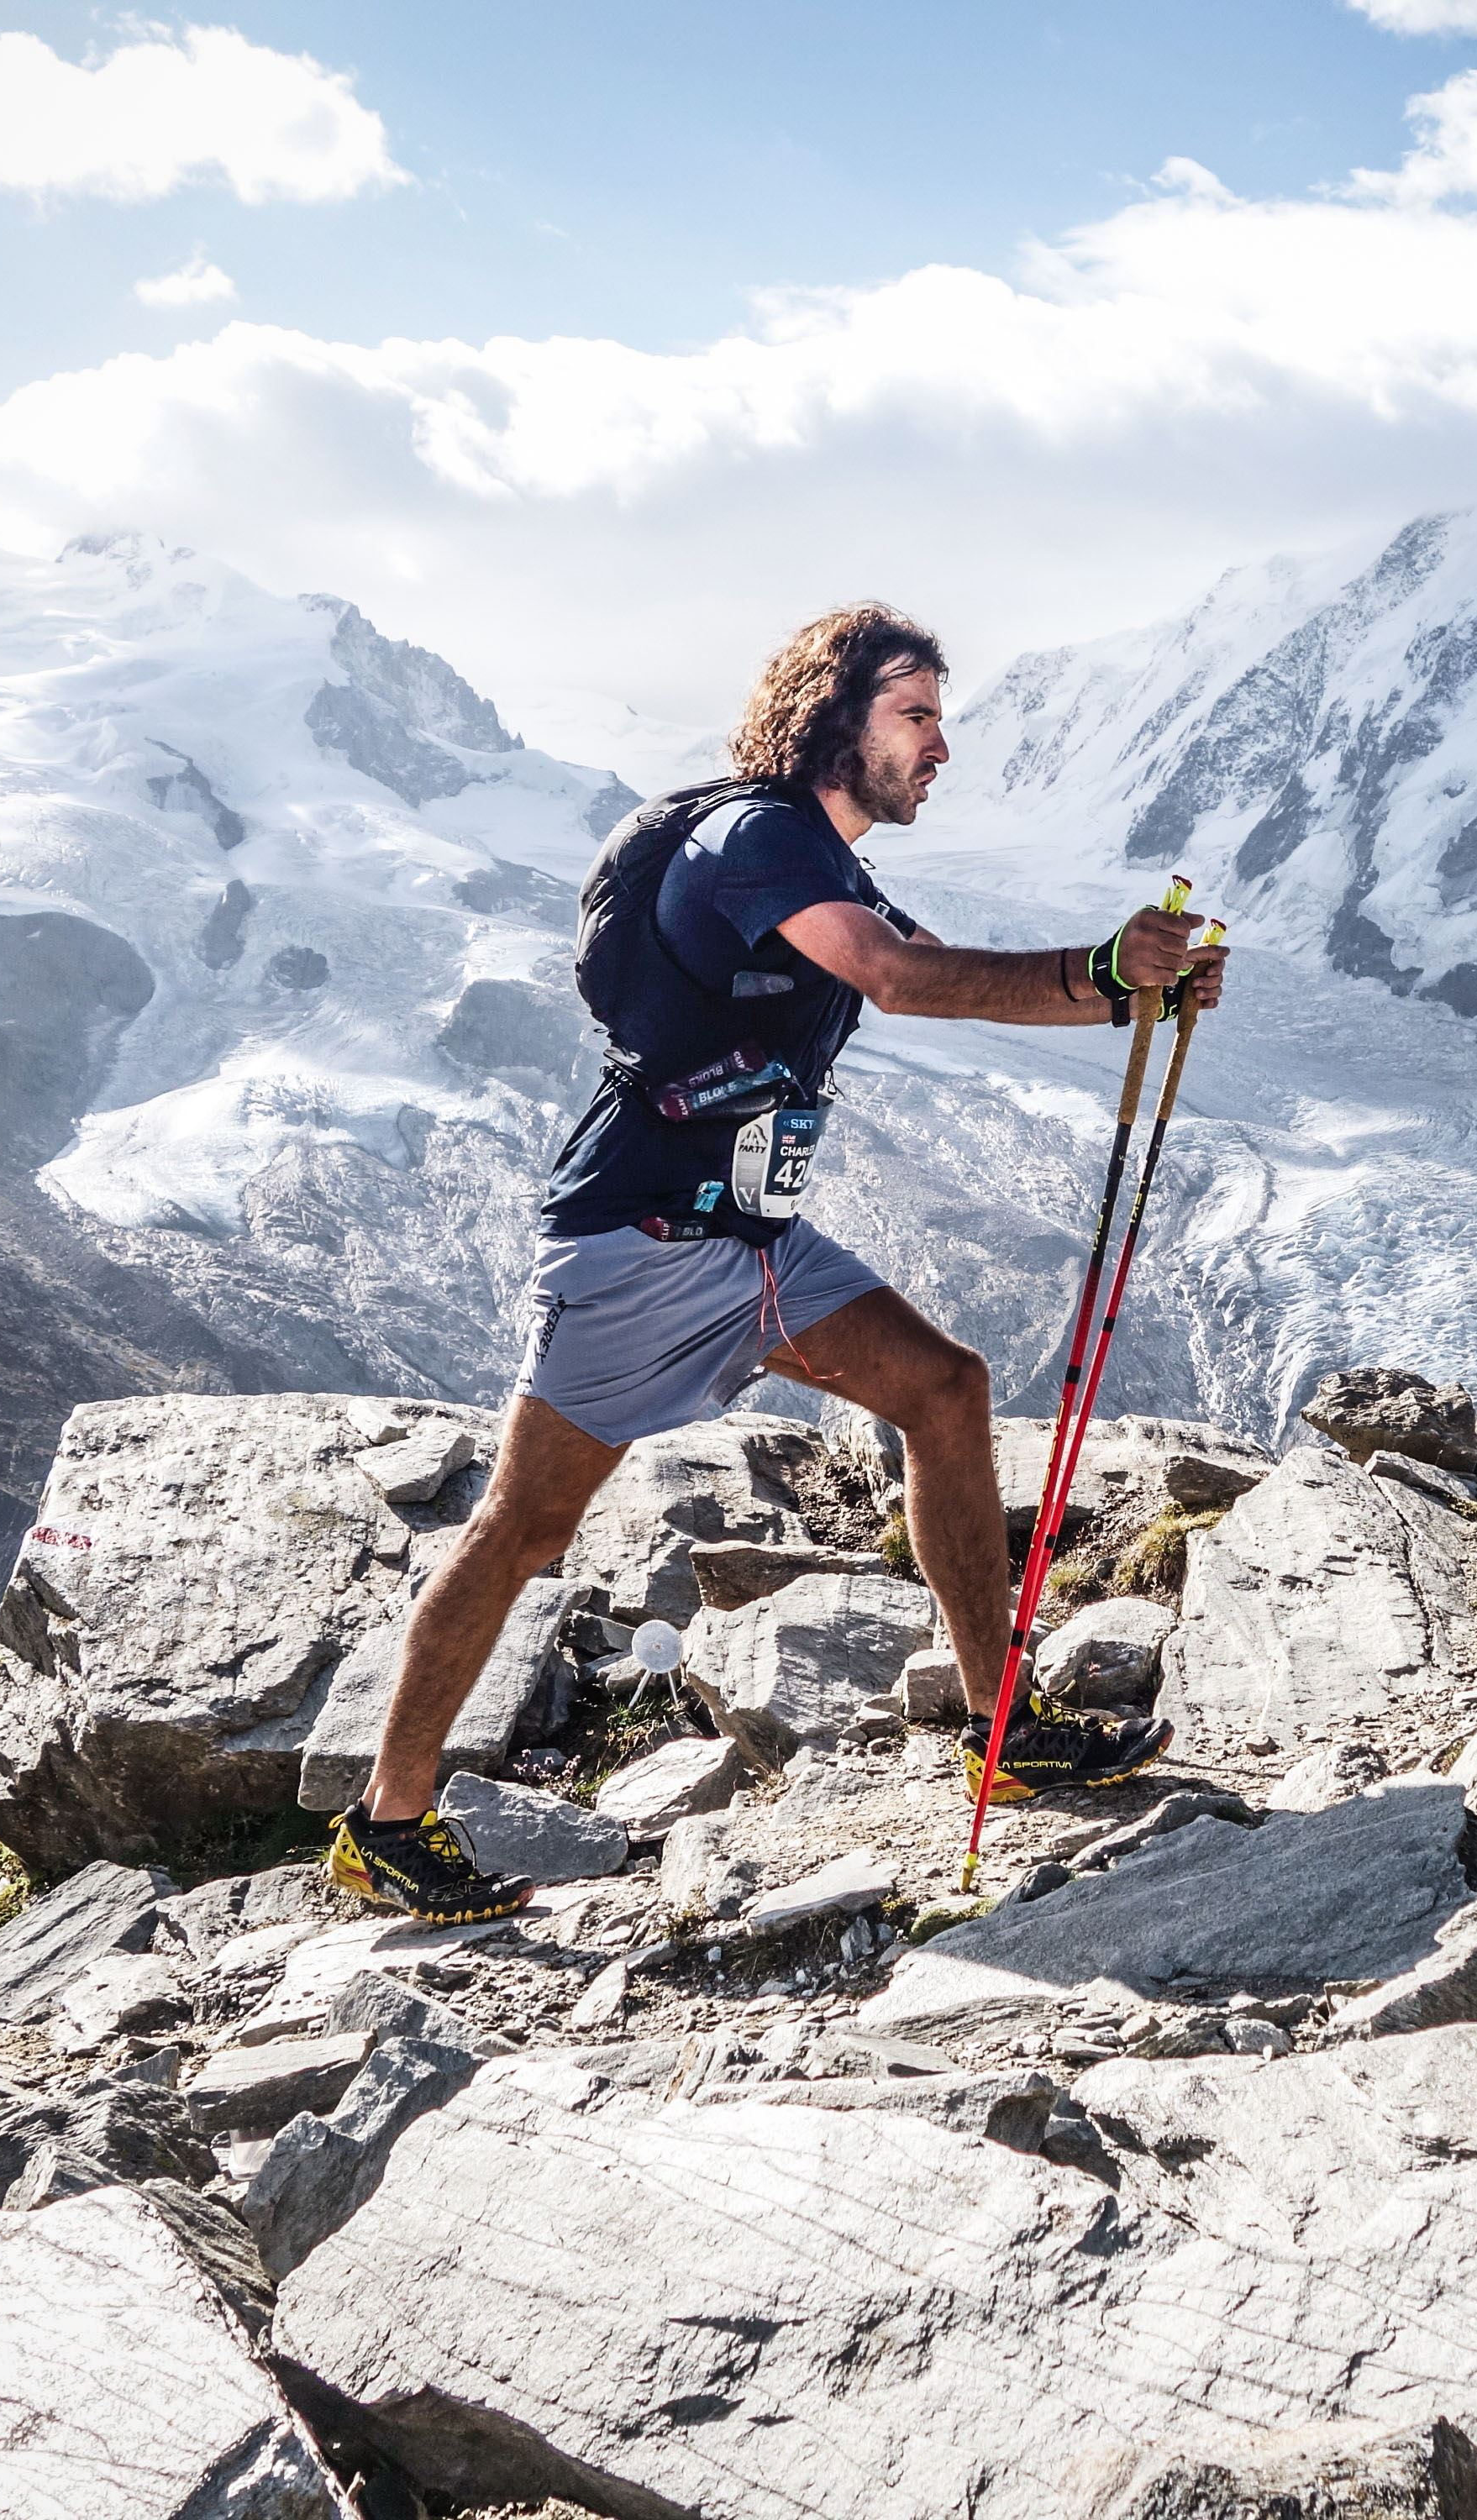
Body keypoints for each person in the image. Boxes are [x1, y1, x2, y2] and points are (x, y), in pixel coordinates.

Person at [328, 603, 1227, 1921]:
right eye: (917, 715)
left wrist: (1130, 992)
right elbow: (900, 979)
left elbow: (943, 974)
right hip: (639, 1247)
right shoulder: (755, 838)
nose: (941, 746)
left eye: (938, 720)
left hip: (752, 1243)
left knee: (946, 1389)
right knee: (525, 1527)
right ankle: (384, 1828)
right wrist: (1097, 964)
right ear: (836, 715)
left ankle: (1003, 1726)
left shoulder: (819, 862)